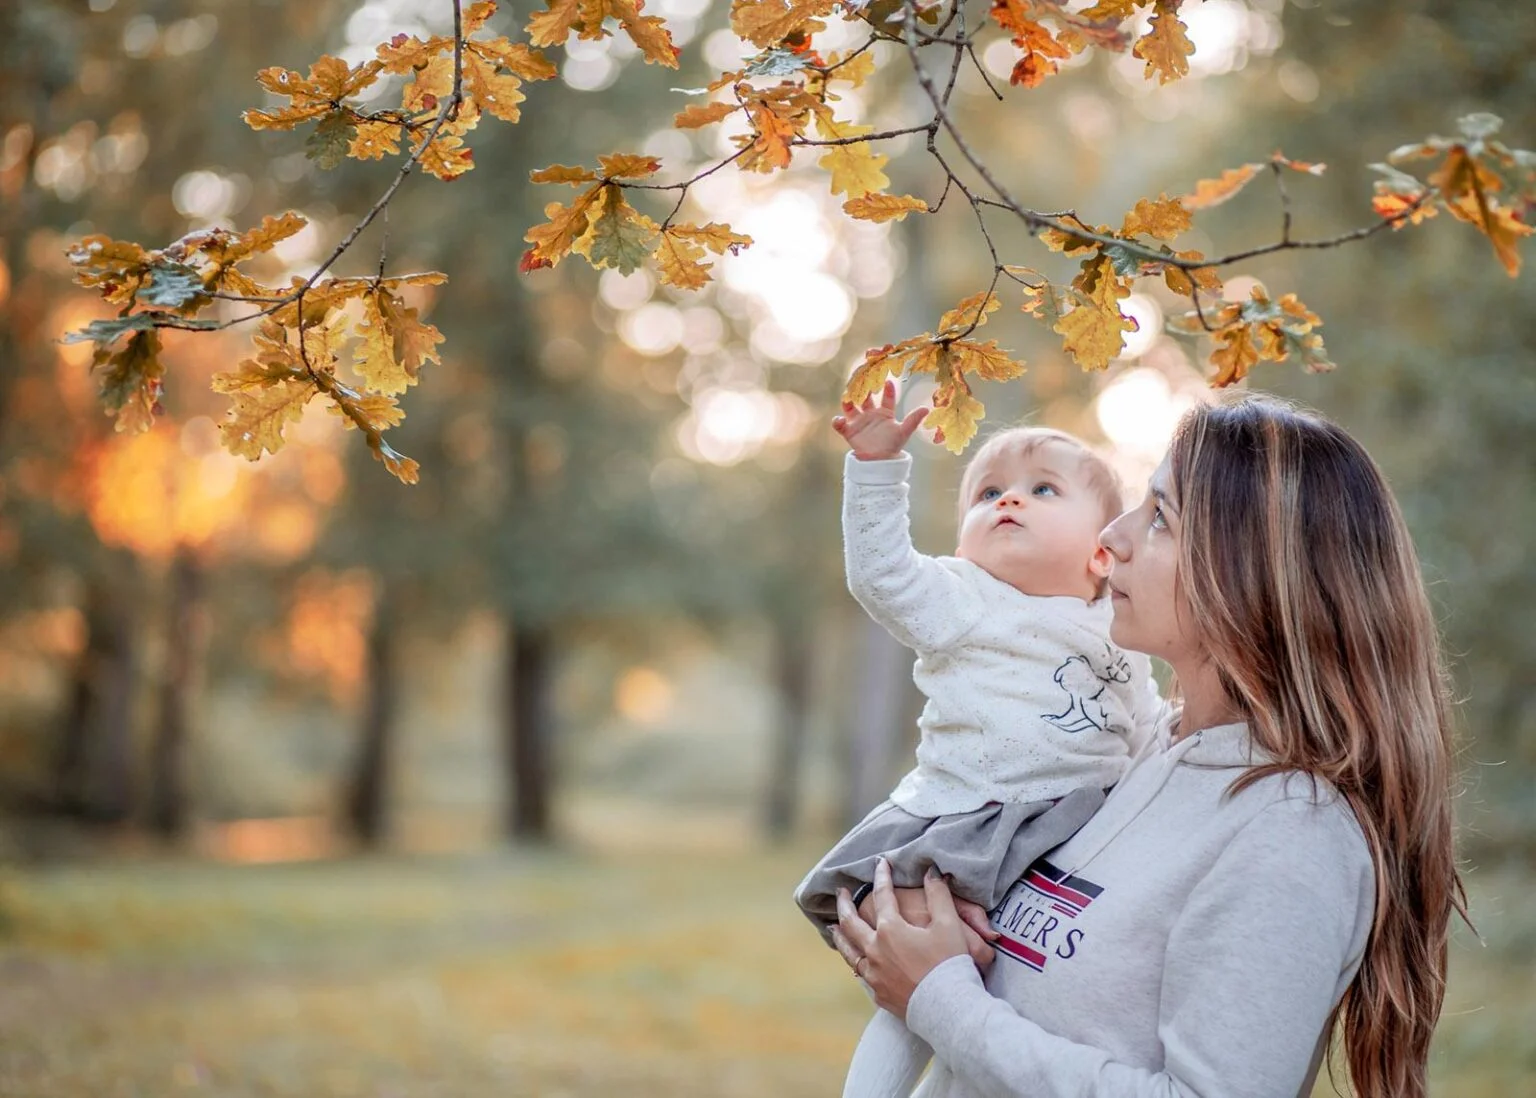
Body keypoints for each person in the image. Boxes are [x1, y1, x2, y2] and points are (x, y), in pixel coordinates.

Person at [829, 395, 1465, 1098]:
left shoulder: (1290, 835)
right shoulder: (1133, 751)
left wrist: (938, 999)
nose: (1114, 535)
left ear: (1250, 570)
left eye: (1159, 516)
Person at [795, 381, 1162, 1098]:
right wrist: (876, 469)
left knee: (995, 1000)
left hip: (1063, 844)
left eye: (1043, 489)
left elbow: (1144, 730)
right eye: (987, 491)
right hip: (965, 824)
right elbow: (880, 576)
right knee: (916, 998)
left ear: (1102, 553)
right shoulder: (962, 597)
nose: (1008, 500)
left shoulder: (1122, 630)